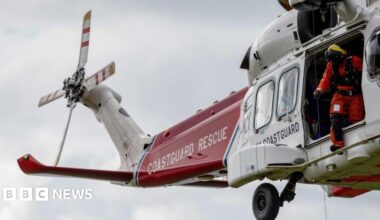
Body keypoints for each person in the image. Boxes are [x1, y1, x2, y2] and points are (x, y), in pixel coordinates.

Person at [313, 44, 364, 153]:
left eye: (334, 59)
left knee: (356, 120)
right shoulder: (330, 65)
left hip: (355, 96)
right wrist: (319, 90)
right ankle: (338, 143)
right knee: (335, 117)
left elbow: (365, 71)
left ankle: (357, 141)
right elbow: (326, 79)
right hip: (339, 95)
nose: (333, 62)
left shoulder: (355, 60)